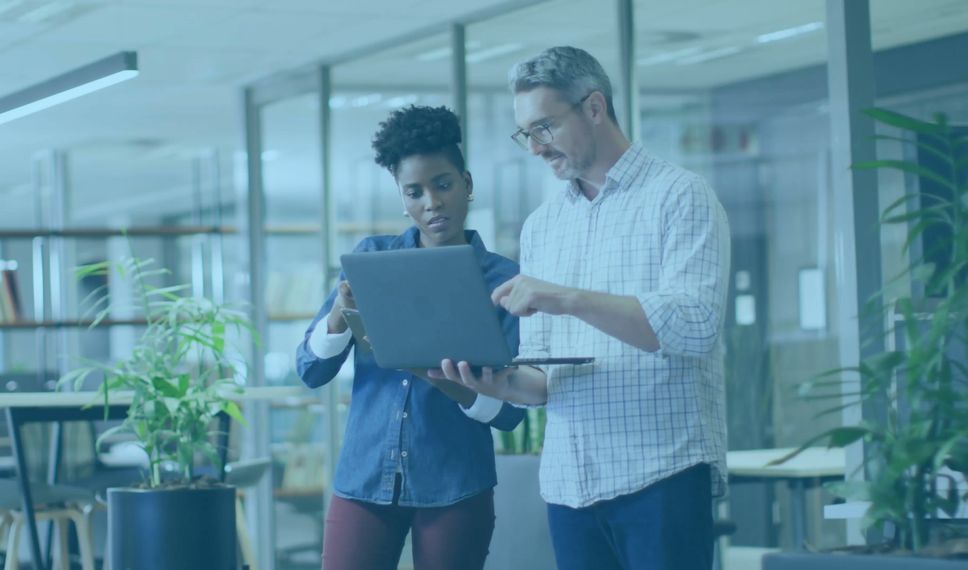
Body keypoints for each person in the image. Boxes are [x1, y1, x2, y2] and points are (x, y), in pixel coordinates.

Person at [430, 46, 731, 570]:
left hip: (660, 475)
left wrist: (564, 298)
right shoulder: (543, 226)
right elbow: (543, 377)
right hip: (571, 487)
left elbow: (694, 325)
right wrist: (497, 384)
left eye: (545, 127)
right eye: (526, 133)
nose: (535, 148)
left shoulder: (680, 196)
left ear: (594, 107)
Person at [295, 105, 524, 570]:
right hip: (363, 478)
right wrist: (341, 312)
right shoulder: (370, 259)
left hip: (455, 484)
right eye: (414, 191)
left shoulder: (504, 281)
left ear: (467, 183)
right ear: (402, 199)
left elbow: (509, 415)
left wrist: (436, 375)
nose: (431, 203)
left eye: (443, 184)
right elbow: (311, 369)